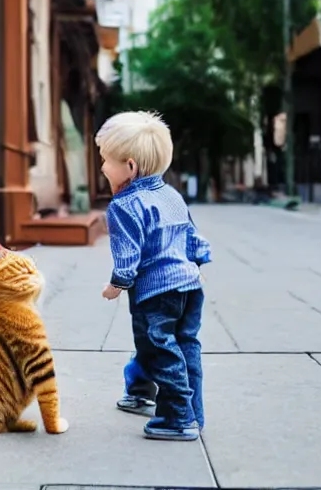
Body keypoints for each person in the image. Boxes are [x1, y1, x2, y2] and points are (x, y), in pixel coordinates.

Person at [97, 111, 211, 441]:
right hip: (189, 284)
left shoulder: (124, 205)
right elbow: (192, 236)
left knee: (162, 348)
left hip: (155, 291)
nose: (103, 167)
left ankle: (177, 418)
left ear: (129, 167)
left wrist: (116, 284)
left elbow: (128, 255)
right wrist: (197, 266)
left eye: (106, 160)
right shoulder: (171, 194)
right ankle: (186, 410)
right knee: (185, 344)